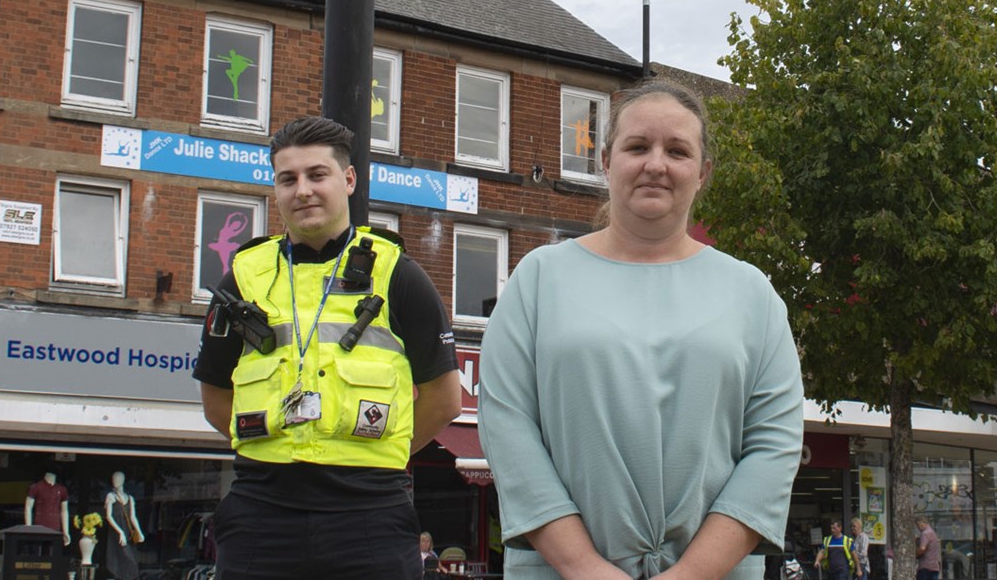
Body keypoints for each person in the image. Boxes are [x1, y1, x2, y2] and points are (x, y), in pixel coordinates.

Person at [480, 81, 806, 579]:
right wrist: (586, 567)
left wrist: (691, 573)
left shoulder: (752, 294)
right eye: (638, 147)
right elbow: (508, 426)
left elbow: (774, 443)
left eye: (677, 151)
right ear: (607, 162)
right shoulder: (538, 279)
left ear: (703, 173)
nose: (656, 164)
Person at [194, 116, 463, 580]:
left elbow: (444, 399)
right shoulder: (243, 276)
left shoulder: (397, 273)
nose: (303, 190)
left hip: (370, 511)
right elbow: (216, 397)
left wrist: (380, 451)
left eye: (317, 175)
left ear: (349, 179)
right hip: (262, 508)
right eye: (288, 179)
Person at [25, 472, 70, 544]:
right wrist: (28, 528)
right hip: (39, 528)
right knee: (38, 551)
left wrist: (66, 532)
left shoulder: (61, 489)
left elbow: (64, 511)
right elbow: (28, 507)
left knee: (53, 551)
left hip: (55, 529)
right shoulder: (36, 487)